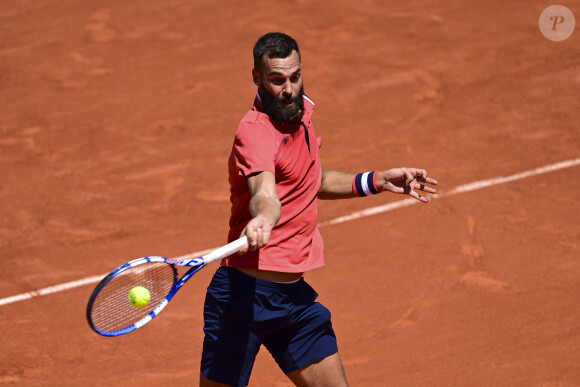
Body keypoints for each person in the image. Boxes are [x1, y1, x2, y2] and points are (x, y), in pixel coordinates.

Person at [200, 32, 438, 387]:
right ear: (257, 78)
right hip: (242, 300)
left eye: (295, 77)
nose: (288, 89)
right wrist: (264, 217)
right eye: (277, 80)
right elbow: (264, 191)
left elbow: (313, 179)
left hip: (293, 300)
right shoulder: (254, 132)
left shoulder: (301, 114)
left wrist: (376, 180)